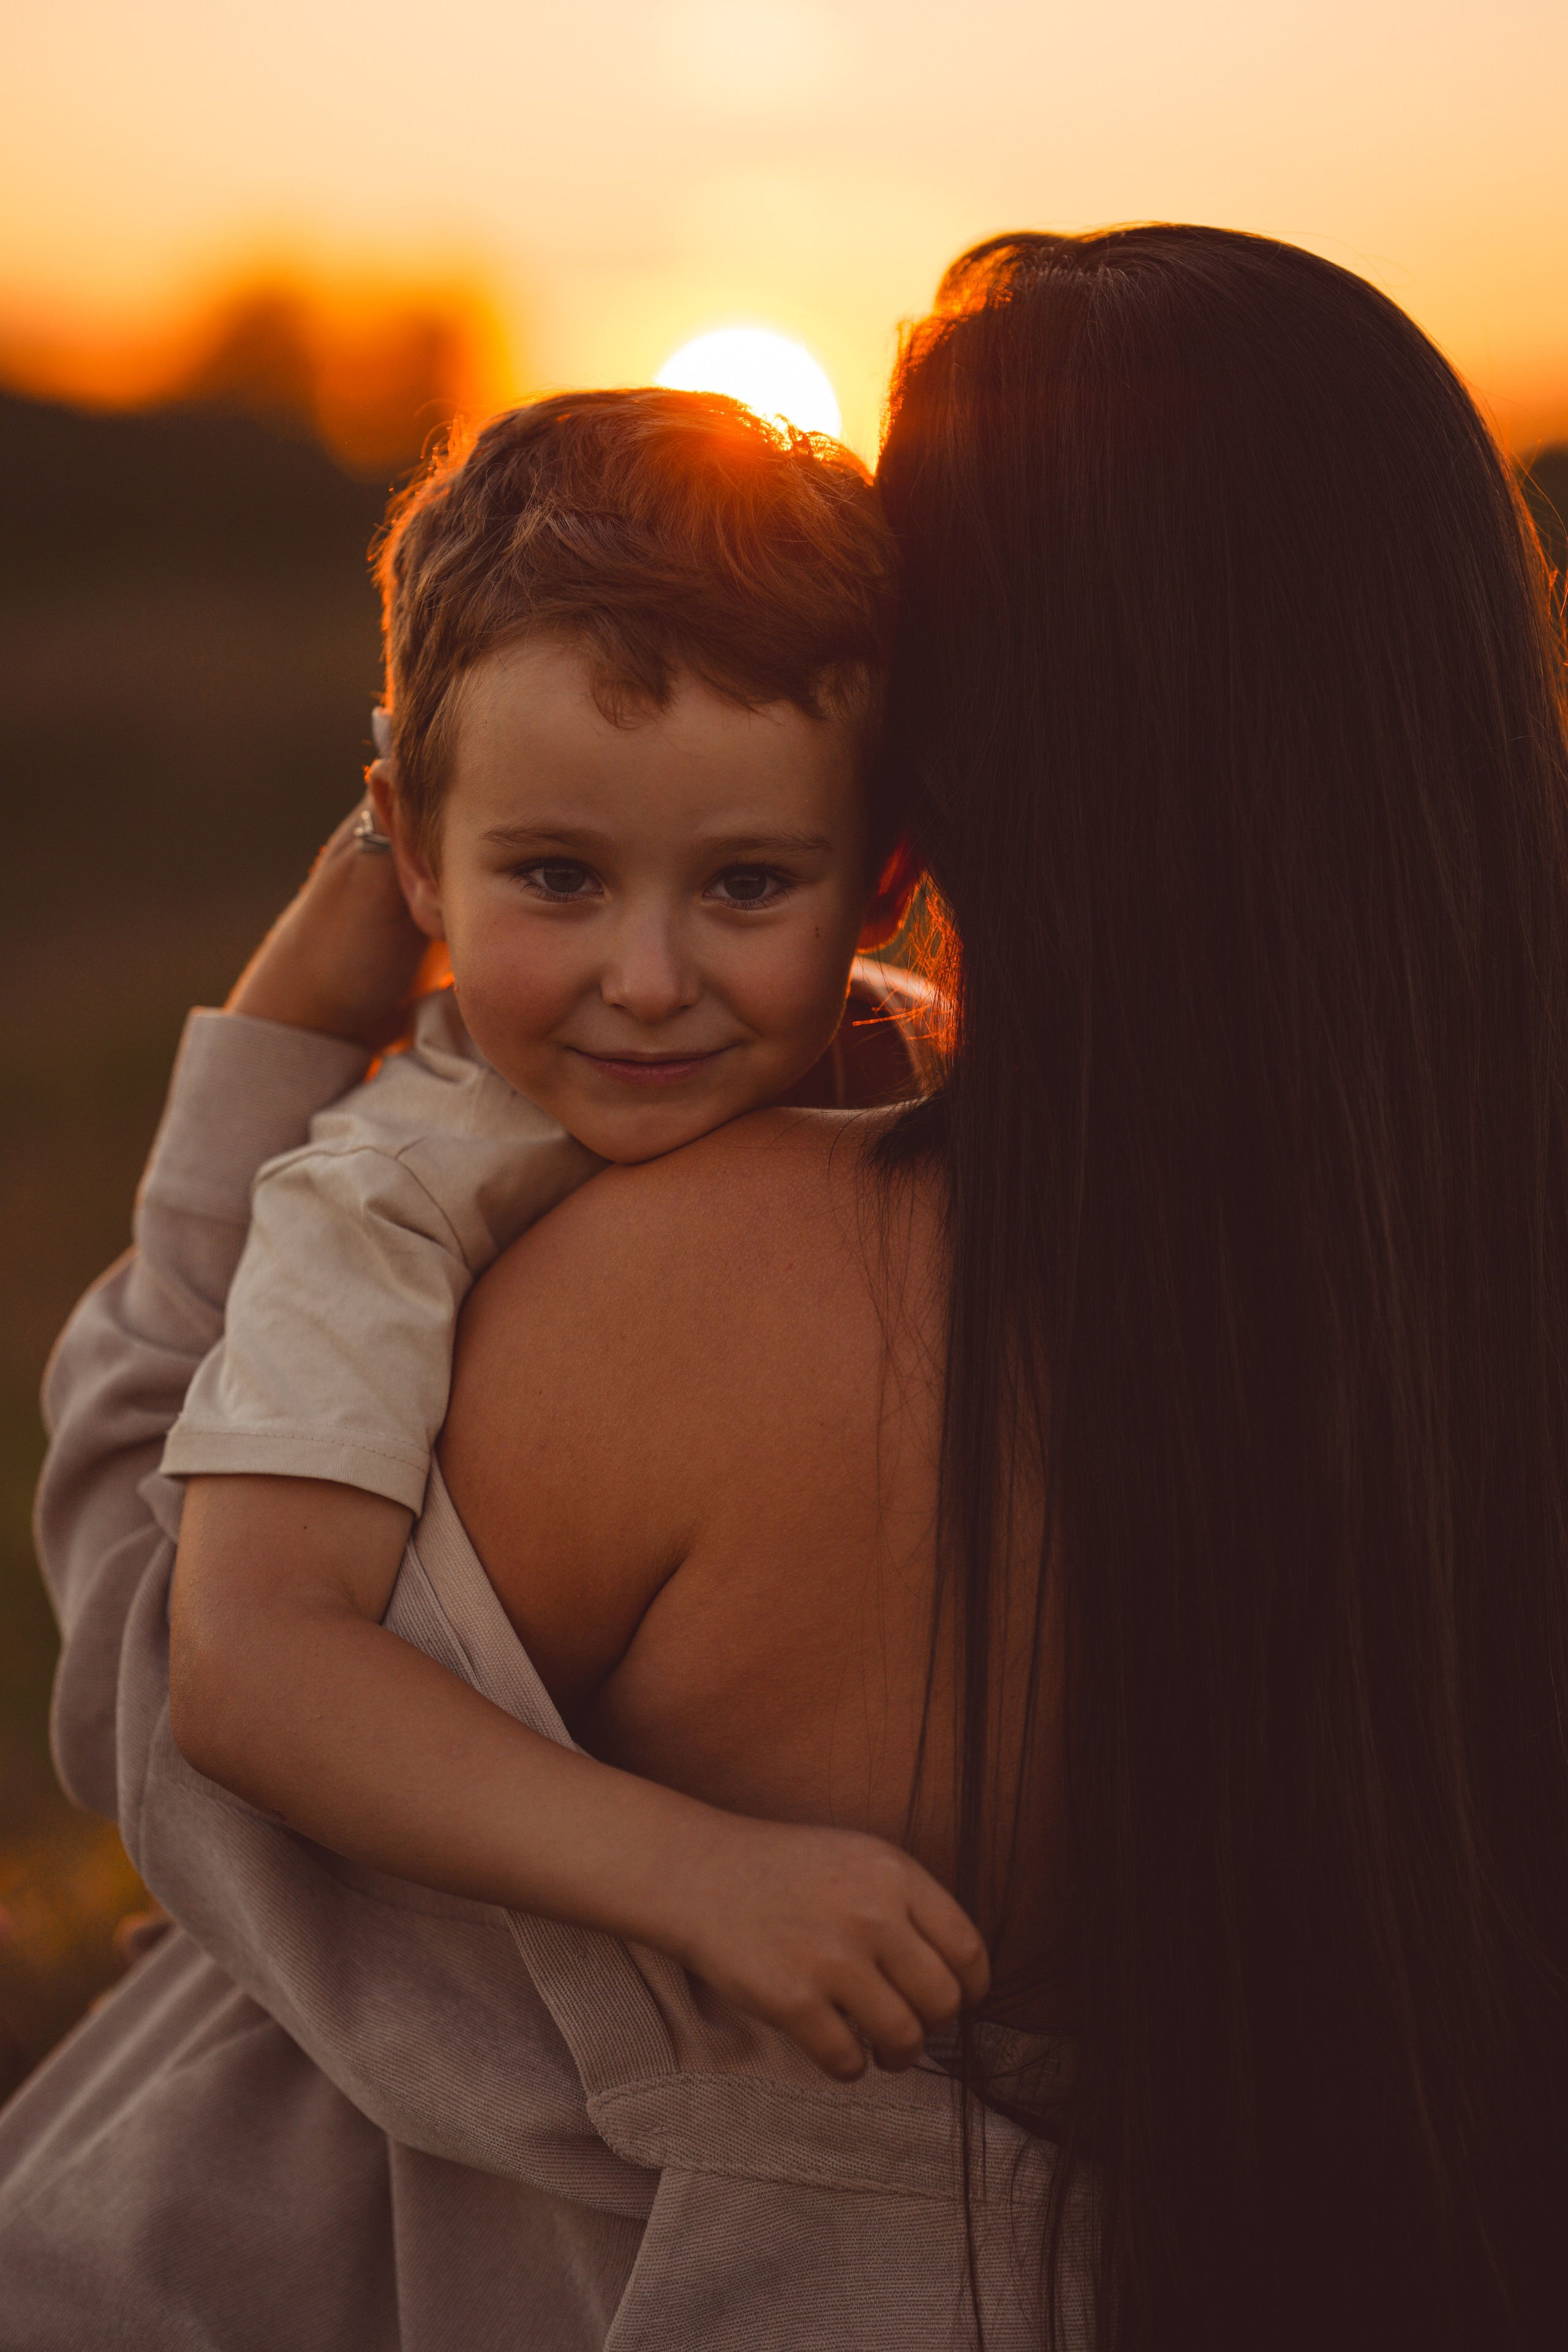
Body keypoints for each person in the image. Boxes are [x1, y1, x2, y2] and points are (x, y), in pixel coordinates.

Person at [6, 221, 1565, 2352]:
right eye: (566, 872)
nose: (653, 969)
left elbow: (182, 1695)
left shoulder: (699, 1289)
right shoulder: (1468, 1310)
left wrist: (270, 1056)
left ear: (936, 769)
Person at [159, 383, 986, 2079]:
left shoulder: (912, 1055)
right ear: (415, 860)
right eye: (555, 877)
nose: (652, 978)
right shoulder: (392, 1195)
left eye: (749, 885)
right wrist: (700, 1878)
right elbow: (250, 1662)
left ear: (884, 875)